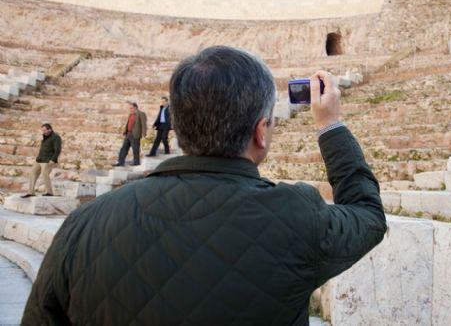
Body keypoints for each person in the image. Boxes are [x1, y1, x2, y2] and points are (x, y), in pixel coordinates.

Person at [22, 46, 387, 325]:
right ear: (261, 132)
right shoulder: (296, 216)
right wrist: (330, 125)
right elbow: (368, 215)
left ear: (177, 126)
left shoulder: (83, 224)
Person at [21, 123, 61, 198]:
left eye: (44, 130)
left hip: (48, 160)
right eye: (42, 130)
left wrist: (53, 159)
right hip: (39, 159)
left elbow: (57, 150)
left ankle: (49, 192)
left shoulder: (56, 137)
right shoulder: (45, 137)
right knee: (32, 173)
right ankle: (31, 192)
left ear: (50, 129)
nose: (43, 132)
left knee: (44, 174)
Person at [113, 102, 147, 167]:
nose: (130, 109)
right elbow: (128, 123)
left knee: (135, 149)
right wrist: (125, 131)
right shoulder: (130, 114)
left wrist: (144, 134)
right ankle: (120, 162)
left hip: (135, 134)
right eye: (130, 108)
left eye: (131, 108)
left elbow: (144, 125)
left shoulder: (141, 114)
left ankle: (136, 162)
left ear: (135, 108)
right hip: (128, 133)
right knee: (123, 148)